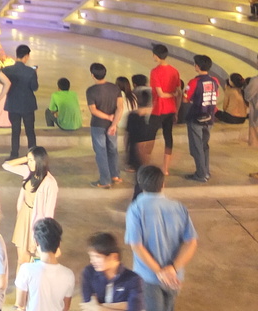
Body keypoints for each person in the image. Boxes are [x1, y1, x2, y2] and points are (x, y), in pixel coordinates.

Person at [125, 166, 198, 311]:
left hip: (148, 277)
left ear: (140, 184)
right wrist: (172, 269)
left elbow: (136, 245)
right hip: (174, 277)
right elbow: (191, 242)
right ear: (163, 184)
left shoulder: (136, 209)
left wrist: (159, 271)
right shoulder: (179, 207)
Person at [2, 147, 58, 269]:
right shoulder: (27, 171)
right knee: (22, 259)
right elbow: (6, 165)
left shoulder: (49, 182)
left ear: (40, 161)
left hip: (37, 220)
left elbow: (49, 212)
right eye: (29, 160)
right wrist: (25, 158)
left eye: (32, 160)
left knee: (33, 260)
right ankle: (20, 286)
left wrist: (45, 233)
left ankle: (29, 284)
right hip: (24, 215)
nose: (29, 163)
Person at [14, 218, 74, 311]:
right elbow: (65, 308)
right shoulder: (69, 275)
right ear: (58, 244)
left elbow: (21, 303)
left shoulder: (26, 269)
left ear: (36, 242)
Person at [82, 231, 145, 311]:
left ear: (114, 256)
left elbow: (135, 308)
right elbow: (87, 306)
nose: (92, 261)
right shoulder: (89, 273)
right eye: (91, 256)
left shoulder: (133, 279)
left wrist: (100, 308)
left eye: (97, 257)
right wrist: (123, 306)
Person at [183, 54, 221, 183]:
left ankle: (201, 174)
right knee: (204, 145)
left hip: (196, 117)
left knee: (196, 146)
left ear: (197, 66)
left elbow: (185, 98)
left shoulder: (194, 82)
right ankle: (206, 171)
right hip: (210, 118)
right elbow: (216, 95)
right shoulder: (215, 81)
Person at [86, 62, 123, 189]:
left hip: (98, 125)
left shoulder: (91, 91)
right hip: (112, 125)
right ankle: (115, 175)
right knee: (113, 150)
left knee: (101, 152)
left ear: (92, 75)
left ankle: (105, 180)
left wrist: (107, 117)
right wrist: (113, 124)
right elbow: (120, 107)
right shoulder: (115, 88)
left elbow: (93, 110)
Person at [148, 44, 182, 175]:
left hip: (159, 109)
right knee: (168, 137)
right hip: (171, 108)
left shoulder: (155, 72)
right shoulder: (175, 71)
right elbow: (179, 91)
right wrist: (176, 109)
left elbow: (160, 93)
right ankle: (165, 168)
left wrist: (170, 95)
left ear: (156, 56)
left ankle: (145, 163)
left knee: (150, 136)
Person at [2, 45, 39, 160]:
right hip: (27, 105)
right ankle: (33, 154)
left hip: (13, 104)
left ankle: (14, 154)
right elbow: (34, 87)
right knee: (30, 131)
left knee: (15, 130)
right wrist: (35, 74)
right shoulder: (30, 71)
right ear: (26, 56)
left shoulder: (6, 70)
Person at [124, 87, 156, 172]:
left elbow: (128, 134)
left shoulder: (132, 115)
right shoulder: (153, 114)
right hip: (148, 144)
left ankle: (134, 166)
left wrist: (125, 147)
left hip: (136, 145)